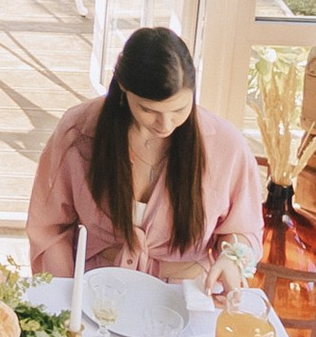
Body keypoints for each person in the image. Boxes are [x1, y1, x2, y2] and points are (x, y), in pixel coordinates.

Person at [25, 23, 261, 291]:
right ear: (124, 90)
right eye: (149, 110)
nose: (166, 124)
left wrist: (232, 259)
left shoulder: (225, 146)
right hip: (97, 288)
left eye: (180, 109)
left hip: (187, 292)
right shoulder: (79, 132)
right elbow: (50, 228)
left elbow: (244, 227)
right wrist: (66, 297)